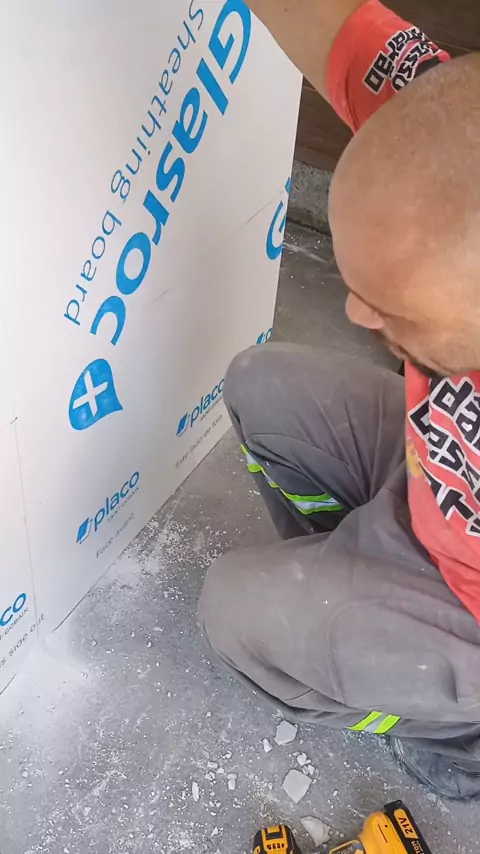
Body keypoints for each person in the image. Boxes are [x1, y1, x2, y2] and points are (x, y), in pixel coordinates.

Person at [199, 0, 480, 801]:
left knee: (235, 613)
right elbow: (325, 18)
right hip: (432, 483)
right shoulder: (447, 141)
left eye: (394, 310)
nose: (353, 312)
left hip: (470, 611)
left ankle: (460, 743)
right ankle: (352, 571)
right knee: (260, 383)